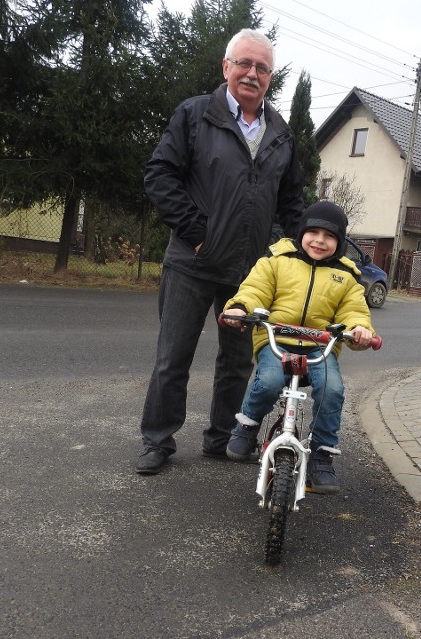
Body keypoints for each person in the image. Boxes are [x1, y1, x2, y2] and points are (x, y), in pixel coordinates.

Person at [135, 28, 304, 474]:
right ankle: (158, 441)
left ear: (270, 78)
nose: (252, 74)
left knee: (237, 361)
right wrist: (196, 232)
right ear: (226, 67)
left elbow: (291, 203)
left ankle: (223, 438)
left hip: (249, 272)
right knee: (173, 357)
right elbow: (159, 175)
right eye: (244, 64)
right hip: (192, 261)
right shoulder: (194, 115)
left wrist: (313, 247)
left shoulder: (281, 135)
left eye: (262, 68)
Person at [221, 202, 376, 494]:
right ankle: (248, 425)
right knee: (268, 381)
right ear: (301, 233)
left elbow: (354, 310)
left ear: (340, 242)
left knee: (332, 390)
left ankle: (322, 454)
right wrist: (241, 308)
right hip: (277, 340)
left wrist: (360, 330)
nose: (319, 240)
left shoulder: (345, 274)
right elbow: (255, 288)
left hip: (320, 346)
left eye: (329, 236)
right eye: (313, 232)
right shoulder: (277, 260)